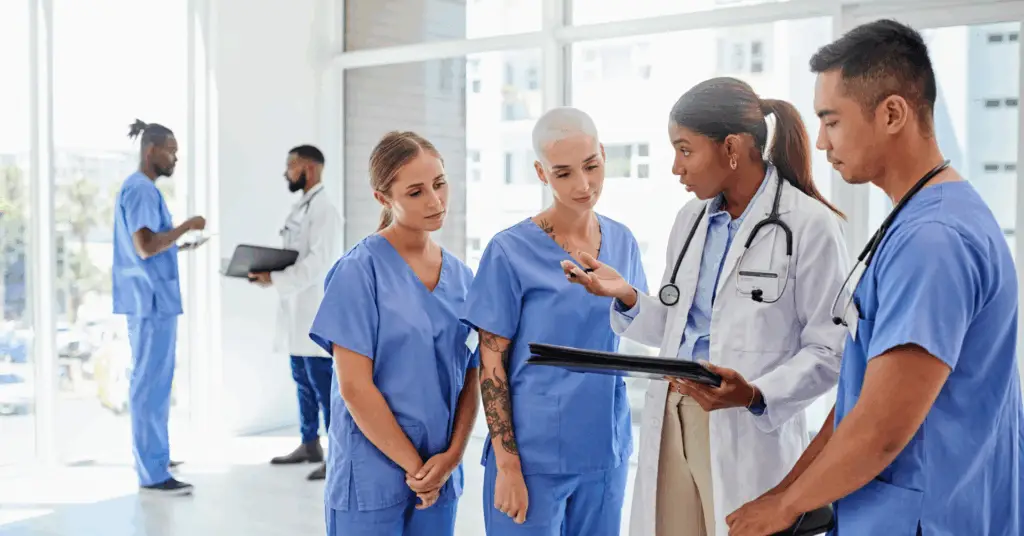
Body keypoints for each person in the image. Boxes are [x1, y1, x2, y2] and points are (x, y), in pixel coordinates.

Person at [726, 19, 1024, 536]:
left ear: (891, 113)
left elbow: (882, 429)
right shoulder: (922, 219)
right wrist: (782, 497)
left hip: (930, 516)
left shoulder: (933, 241)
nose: (820, 142)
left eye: (832, 121)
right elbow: (859, 402)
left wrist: (785, 505)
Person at [562, 78, 848, 536]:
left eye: (685, 149)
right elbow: (679, 328)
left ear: (732, 147)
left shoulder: (809, 225)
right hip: (674, 411)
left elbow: (830, 352)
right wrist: (629, 297)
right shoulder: (690, 221)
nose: (676, 167)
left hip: (748, 425)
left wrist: (755, 394)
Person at [462, 106, 648, 536]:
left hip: (605, 448)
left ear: (603, 154)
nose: (583, 185)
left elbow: (638, 326)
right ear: (541, 174)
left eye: (592, 166)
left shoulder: (622, 240)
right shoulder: (509, 252)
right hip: (532, 454)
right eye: (563, 173)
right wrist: (507, 464)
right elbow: (490, 365)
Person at [309, 131, 480, 536]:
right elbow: (354, 387)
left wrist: (452, 456)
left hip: (439, 474)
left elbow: (472, 376)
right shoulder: (359, 271)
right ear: (383, 198)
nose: (436, 201)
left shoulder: (462, 276)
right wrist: (416, 467)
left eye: (440, 184)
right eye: (416, 192)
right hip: (373, 476)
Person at [112, 119, 207, 496]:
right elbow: (146, 246)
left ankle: (156, 456)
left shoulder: (143, 190)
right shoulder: (140, 190)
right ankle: (152, 472)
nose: (175, 158)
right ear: (151, 151)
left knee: (156, 384)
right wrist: (187, 226)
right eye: (171, 150)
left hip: (152, 299)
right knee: (149, 386)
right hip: (150, 302)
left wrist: (180, 246)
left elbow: (151, 246)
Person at [250, 144, 342, 481]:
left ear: (311, 169)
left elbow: (317, 263)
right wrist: (269, 274)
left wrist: (276, 278)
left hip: (314, 310)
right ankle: (309, 444)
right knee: (302, 381)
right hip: (295, 309)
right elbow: (292, 255)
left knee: (323, 385)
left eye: (292, 166)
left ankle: (338, 455)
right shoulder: (302, 208)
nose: (286, 173)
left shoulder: (325, 210)